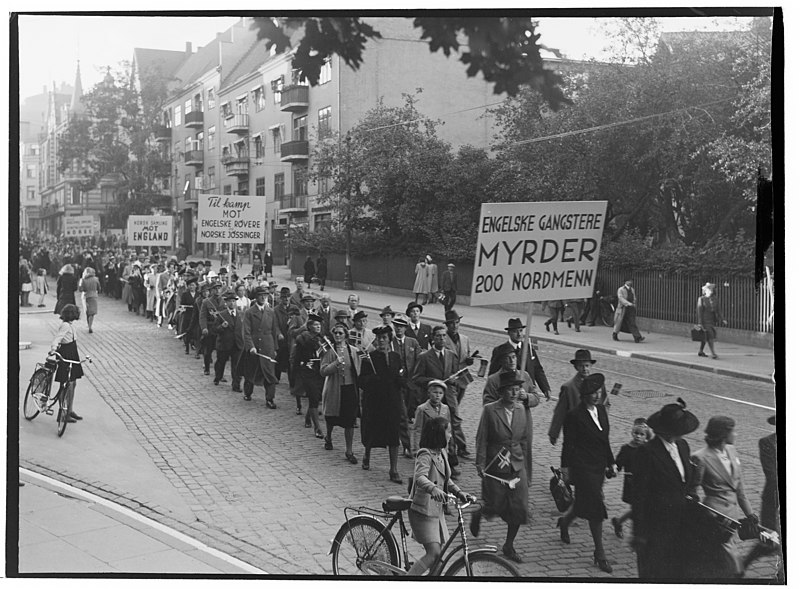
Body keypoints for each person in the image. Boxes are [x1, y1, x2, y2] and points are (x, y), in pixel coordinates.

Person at [632, 398, 700, 579]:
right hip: (655, 524)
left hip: (679, 522)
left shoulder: (683, 446)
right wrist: (639, 533)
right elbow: (638, 495)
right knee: (654, 573)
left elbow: (687, 478)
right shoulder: (647, 452)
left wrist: (692, 493)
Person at [472, 372, 532, 563]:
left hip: (516, 464)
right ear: (502, 392)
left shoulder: (521, 410)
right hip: (495, 465)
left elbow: (523, 440)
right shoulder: (490, 410)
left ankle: (509, 545)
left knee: (519, 507)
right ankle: (479, 513)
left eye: (517, 389)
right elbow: (482, 438)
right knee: (495, 505)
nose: (515, 393)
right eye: (510, 389)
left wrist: (525, 467)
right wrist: (480, 464)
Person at [406, 416, 474, 576]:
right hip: (422, 511)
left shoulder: (441, 453)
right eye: (448, 432)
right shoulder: (425, 454)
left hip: (436, 511)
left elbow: (446, 479)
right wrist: (433, 489)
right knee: (433, 553)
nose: (450, 435)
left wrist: (458, 492)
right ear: (438, 435)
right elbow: (420, 477)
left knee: (439, 557)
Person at [689, 416, 756, 578]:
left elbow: (739, 488)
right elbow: (692, 490)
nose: (736, 434)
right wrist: (705, 514)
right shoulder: (701, 457)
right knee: (731, 560)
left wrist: (750, 513)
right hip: (715, 517)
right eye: (733, 430)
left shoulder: (732, 451)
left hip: (733, 516)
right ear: (723, 434)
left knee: (719, 557)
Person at [412, 325, 463, 475]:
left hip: (448, 399)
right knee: (433, 431)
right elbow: (417, 378)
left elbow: (457, 377)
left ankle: (451, 462)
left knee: (449, 430)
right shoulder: (424, 357)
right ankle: (428, 460)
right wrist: (434, 381)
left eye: (444, 336)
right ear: (432, 338)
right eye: (438, 336)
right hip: (432, 399)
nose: (442, 339)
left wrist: (455, 380)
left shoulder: (451, 355)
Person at [358, 325, 405, 483]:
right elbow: (361, 381)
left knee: (393, 434)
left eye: (384, 338)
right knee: (372, 431)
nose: (381, 341)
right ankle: (367, 455)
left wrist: (401, 380)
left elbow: (401, 374)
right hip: (375, 402)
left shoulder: (395, 357)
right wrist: (372, 379)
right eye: (378, 338)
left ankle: (393, 469)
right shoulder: (369, 358)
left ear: (389, 340)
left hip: (392, 402)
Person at [742, 415, 781, 570]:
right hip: (773, 497)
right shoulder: (767, 442)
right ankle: (743, 566)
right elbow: (771, 474)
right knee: (770, 539)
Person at [548, 349, 609, 445]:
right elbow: (560, 411)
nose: (585, 369)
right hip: (576, 431)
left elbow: (605, 403)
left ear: (591, 366)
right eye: (581, 366)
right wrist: (554, 433)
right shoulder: (569, 387)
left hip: (595, 430)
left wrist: (602, 421)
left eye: (587, 366)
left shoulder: (598, 383)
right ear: (576, 367)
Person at [321, 323, 362, 462]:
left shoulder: (353, 351)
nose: (338, 336)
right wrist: (335, 364)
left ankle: (349, 450)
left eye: (340, 333)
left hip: (349, 389)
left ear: (345, 335)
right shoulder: (329, 351)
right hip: (334, 388)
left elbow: (359, 369)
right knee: (331, 416)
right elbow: (323, 371)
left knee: (350, 420)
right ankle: (328, 436)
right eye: (336, 333)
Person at [489, 318, 551, 400]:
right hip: (508, 394)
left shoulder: (528, 349)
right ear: (509, 333)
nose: (519, 334)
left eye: (521, 331)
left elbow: (537, 369)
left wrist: (545, 388)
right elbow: (493, 374)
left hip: (526, 394)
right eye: (515, 331)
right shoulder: (500, 350)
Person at [610, 418, 651, 539]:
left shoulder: (648, 449)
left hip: (646, 482)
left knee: (640, 508)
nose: (638, 436)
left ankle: (619, 522)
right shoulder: (627, 449)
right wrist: (615, 469)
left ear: (646, 436)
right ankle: (638, 534)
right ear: (632, 433)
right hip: (632, 483)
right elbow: (618, 463)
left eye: (642, 434)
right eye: (636, 433)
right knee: (638, 508)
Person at [242, 286, 281, 407]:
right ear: (256, 297)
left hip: (267, 345)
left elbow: (274, 331)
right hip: (254, 346)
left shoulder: (271, 312)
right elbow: (246, 332)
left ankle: (270, 399)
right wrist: (251, 346)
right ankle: (248, 393)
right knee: (251, 372)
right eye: (261, 295)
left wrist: (274, 348)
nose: (263, 297)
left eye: (266, 295)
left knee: (269, 373)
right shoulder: (249, 312)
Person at [442, 310, 474, 459]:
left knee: (453, 412)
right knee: (455, 414)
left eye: (456, 323)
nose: (454, 326)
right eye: (451, 323)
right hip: (449, 382)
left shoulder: (465, 339)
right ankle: (460, 446)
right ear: (447, 325)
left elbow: (466, 355)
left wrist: (470, 360)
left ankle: (449, 439)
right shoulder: (443, 339)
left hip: (462, 380)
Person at [47, 304, 84, 423]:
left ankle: (69, 409)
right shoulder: (65, 326)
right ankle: (63, 412)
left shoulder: (69, 325)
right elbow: (58, 338)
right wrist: (53, 349)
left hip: (72, 353)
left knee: (73, 383)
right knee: (66, 384)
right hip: (67, 354)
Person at [291, 312, 326, 438]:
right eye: (315, 325)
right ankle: (317, 428)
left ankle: (308, 417)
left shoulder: (322, 339)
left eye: (319, 325)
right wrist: (296, 372)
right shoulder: (302, 339)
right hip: (307, 371)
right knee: (313, 396)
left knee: (316, 397)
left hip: (319, 371)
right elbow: (296, 357)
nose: (318, 327)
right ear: (309, 326)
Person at [411, 380, 451, 453]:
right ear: (429, 393)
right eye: (435, 392)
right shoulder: (422, 409)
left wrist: (448, 447)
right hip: (427, 444)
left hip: (441, 446)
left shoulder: (445, 408)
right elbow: (417, 429)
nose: (438, 395)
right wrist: (416, 449)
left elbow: (448, 429)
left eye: (440, 393)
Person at [213, 291, 242, 387]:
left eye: (233, 301)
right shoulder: (222, 315)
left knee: (236, 366)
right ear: (226, 302)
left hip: (237, 344)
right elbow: (214, 329)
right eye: (230, 301)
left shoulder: (240, 314)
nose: (232, 303)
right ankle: (218, 377)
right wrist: (222, 326)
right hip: (224, 344)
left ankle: (236, 384)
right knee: (221, 363)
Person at [697, 282, 727, 359]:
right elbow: (699, 312)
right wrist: (700, 323)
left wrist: (723, 319)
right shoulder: (701, 299)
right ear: (705, 290)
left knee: (705, 336)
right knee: (710, 335)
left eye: (712, 290)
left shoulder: (715, 299)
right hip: (705, 320)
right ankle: (713, 353)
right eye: (709, 289)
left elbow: (719, 310)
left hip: (712, 320)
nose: (711, 291)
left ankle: (701, 351)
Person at [199, 282, 223, 376]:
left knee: (221, 352)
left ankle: (219, 372)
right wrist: (204, 328)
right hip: (210, 328)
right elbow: (203, 316)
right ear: (211, 290)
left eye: (219, 288)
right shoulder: (206, 302)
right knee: (208, 350)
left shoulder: (224, 301)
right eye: (215, 289)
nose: (217, 290)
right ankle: (207, 368)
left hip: (221, 329)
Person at [78, 267, 100, 334]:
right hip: (94, 295)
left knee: (87, 311)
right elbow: (99, 287)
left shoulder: (83, 280)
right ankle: (90, 326)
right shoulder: (96, 279)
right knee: (92, 312)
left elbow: (80, 289)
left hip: (86, 296)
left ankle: (88, 324)